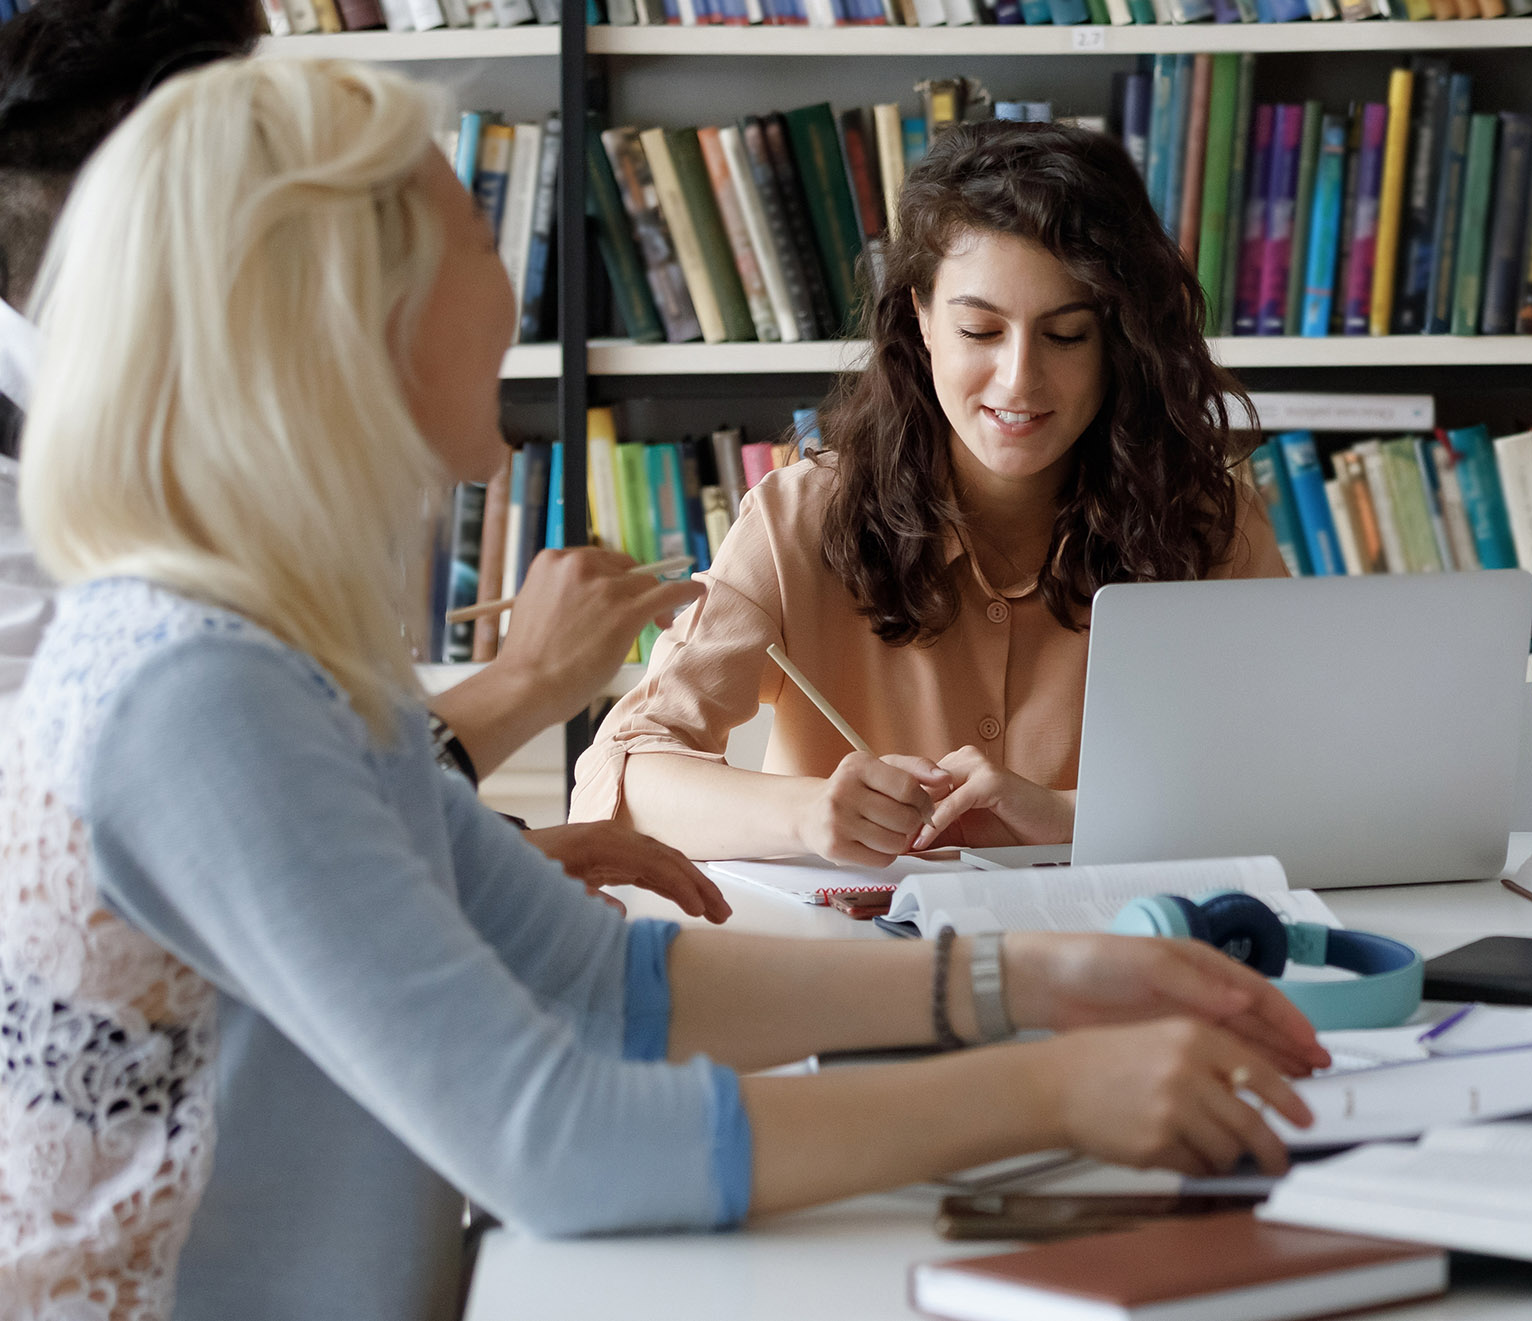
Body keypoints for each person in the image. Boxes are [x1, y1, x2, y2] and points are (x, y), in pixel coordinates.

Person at [0, 58, 1328, 1321]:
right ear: (349, 316)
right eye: (472, 236)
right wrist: (1057, 1087)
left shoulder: (266, 658)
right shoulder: (199, 693)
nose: (513, 281)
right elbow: (560, 1137)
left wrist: (1041, 974)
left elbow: (601, 978)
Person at [0, 0, 726, 921]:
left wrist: (482, 858)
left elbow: (281, 831)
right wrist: (524, 681)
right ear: (172, 209)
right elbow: (151, 883)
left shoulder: (216, 466)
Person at [570, 119, 1284, 864]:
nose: (1019, 381)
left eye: (1066, 335)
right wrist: (807, 813)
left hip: (1112, 957)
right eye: (979, 330)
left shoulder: (1209, 524)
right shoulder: (800, 517)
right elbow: (618, 774)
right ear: (920, 318)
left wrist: (1069, 815)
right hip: (857, 968)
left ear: (1119, 339)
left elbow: (1291, 782)